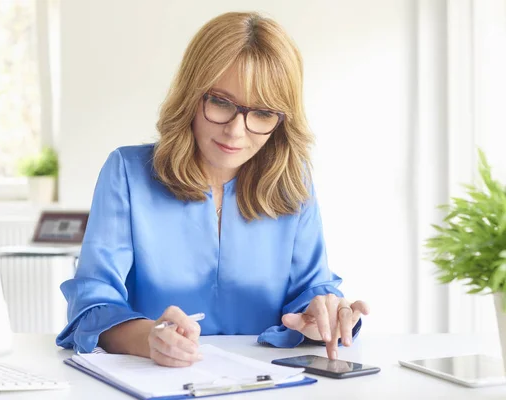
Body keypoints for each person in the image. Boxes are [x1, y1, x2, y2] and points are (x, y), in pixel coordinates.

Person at [56, 11, 369, 368]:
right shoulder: (128, 173)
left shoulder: (293, 180)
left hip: (267, 384)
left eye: (263, 113)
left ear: (282, 121)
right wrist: (149, 339)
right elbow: (93, 302)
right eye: (220, 102)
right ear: (192, 94)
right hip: (154, 380)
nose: (235, 132)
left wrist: (323, 316)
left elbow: (310, 291)